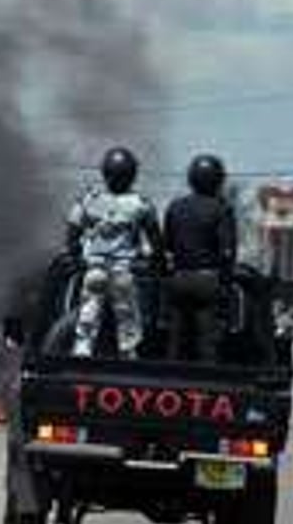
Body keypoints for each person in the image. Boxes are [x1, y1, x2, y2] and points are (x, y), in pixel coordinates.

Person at [68, 147, 163, 359]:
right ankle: (128, 353)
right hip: (123, 270)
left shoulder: (90, 199)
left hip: (95, 269)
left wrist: (74, 254)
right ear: (132, 174)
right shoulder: (141, 204)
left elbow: (73, 228)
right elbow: (156, 238)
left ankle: (82, 351)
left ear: (105, 172)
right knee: (126, 314)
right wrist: (159, 260)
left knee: (89, 311)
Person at [162, 154, 236, 363]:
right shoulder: (222, 209)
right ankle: (206, 384)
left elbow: (166, 245)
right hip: (207, 281)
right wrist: (226, 283)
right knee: (207, 340)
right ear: (218, 180)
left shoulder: (175, 206)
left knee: (175, 338)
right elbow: (227, 252)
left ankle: (170, 378)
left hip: (179, 278)